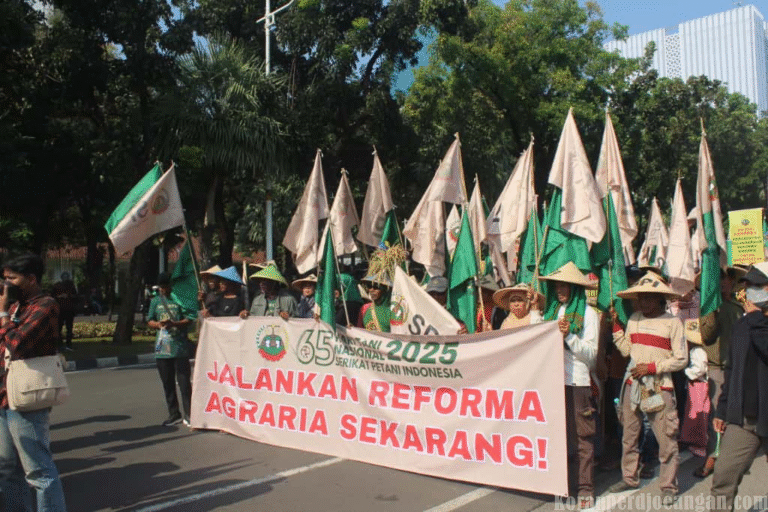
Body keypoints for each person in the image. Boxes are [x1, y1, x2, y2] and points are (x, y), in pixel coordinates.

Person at [608, 271, 687, 506]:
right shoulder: (634, 319)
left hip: (660, 386)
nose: (643, 302)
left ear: (660, 299)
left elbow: (681, 359)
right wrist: (615, 328)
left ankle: (668, 486)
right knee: (629, 436)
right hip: (632, 384)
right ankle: (629, 478)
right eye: (641, 297)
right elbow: (626, 350)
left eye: (649, 297)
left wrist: (653, 367)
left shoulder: (672, 323)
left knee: (666, 440)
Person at [0, 253, 68, 511]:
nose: (6, 285)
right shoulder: (17, 307)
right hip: (4, 395)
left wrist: (3, 312)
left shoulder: (46, 305)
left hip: (27, 397)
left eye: (11, 279)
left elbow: (16, 345)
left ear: (31, 279)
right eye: (4, 279)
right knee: (7, 468)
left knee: (38, 470)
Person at [540, 262, 599, 510]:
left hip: (577, 381)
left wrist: (570, 337)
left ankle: (585, 487)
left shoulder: (588, 314)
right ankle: (562, 484)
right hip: (554, 380)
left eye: (564, 286)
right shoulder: (551, 311)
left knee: (583, 436)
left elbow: (592, 355)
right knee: (558, 436)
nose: (559, 291)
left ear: (575, 288)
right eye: (556, 286)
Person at [710, 262, 768, 512]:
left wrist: (756, 318)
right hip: (744, 418)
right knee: (723, 477)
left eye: (758, 286)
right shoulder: (743, 324)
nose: (751, 291)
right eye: (749, 286)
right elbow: (731, 370)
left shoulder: (753, 321)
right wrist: (723, 409)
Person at [695, 266, 745, 477]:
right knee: (716, 416)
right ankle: (712, 457)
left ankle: (730, 458)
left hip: (739, 367)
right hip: (718, 367)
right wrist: (713, 310)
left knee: (737, 416)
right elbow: (707, 335)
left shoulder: (738, 307)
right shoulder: (709, 308)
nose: (725, 282)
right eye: (720, 279)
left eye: (728, 279)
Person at [147, 272, 193, 427]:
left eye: (165, 287)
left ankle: (190, 414)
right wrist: (158, 324)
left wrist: (175, 324)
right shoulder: (155, 301)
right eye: (161, 287)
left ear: (170, 286)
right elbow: (149, 320)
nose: (163, 290)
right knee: (167, 382)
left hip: (179, 346)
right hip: (162, 347)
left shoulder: (179, 299)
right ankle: (174, 413)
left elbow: (189, 319)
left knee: (184, 382)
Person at [678, 319, 709, 458]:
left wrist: (687, 372)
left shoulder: (697, 351)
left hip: (697, 384)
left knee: (697, 413)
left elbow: (699, 369)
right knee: (700, 412)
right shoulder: (706, 349)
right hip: (702, 384)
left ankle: (700, 443)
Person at [51, 272, 77, 352]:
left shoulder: (71, 286)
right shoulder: (57, 286)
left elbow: (75, 296)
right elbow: (52, 296)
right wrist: (59, 297)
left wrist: (68, 296)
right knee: (59, 328)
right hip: (60, 310)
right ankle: (60, 345)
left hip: (69, 309)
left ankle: (68, 344)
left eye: (67, 277)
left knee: (69, 328)